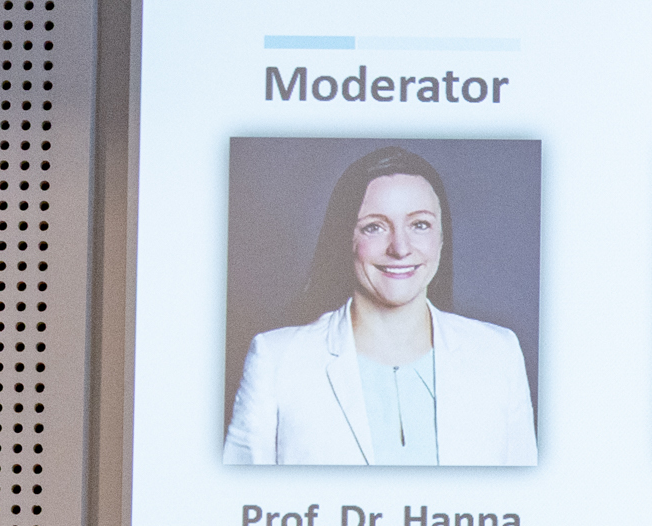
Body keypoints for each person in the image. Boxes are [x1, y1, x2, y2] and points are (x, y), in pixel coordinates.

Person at [226, 143, 539, 466]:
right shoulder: (276, 360)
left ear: (442, 239)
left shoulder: (498, 354)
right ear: (345, 239)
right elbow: (239, 506)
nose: (400, 248)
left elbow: (523, 506)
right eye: (374, 227)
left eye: (420, 224)